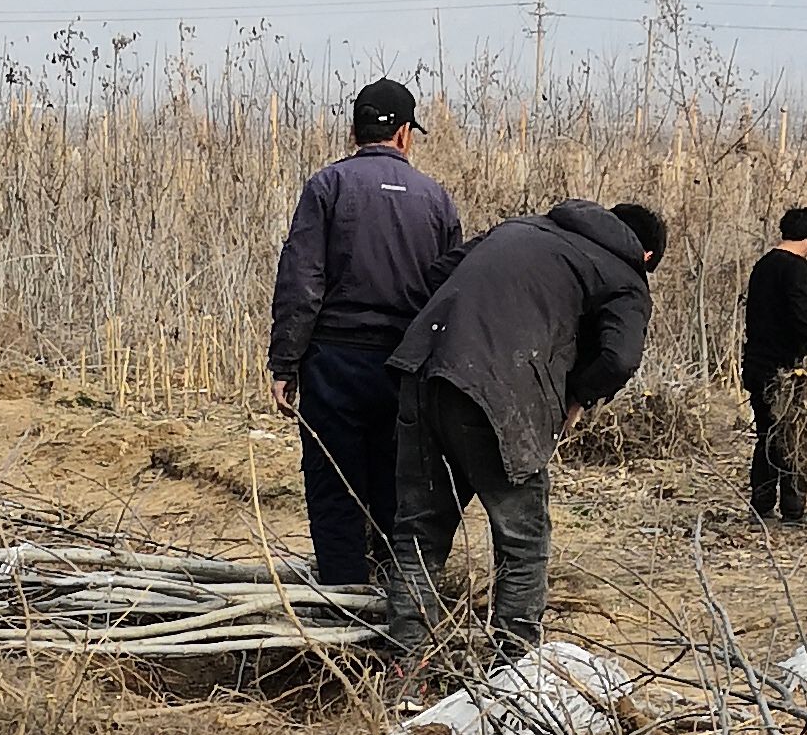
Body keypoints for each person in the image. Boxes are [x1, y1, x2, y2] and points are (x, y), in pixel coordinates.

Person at [383, 196, 668, 666]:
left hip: (422, 368)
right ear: (648, 257)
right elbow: (619, 357)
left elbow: (436, 276)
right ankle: (512, 678)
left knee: (419, 532)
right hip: (497, 393)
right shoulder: (625, 276)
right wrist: (576, 395)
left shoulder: (519, 227)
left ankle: (406, 672)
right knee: (524, 541)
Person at [266, 80, 461, 585]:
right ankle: (400, 606)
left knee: (334, 490)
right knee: (399, 493)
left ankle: (342, 606)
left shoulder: (326, 187)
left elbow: (301, 281)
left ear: (354, 131)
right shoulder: (436, 201)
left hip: (333, 364)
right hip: (405, 368)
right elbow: (450, 292)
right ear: (403, 134)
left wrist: (285, 364)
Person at [741, 203, 807, 526]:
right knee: (795, 438)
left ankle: (761, 507)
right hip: (787, 372)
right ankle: (793, 510)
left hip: (756, 365)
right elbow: (801, 319)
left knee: (766, 436)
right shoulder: (797, 268)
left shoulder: (763, 265)